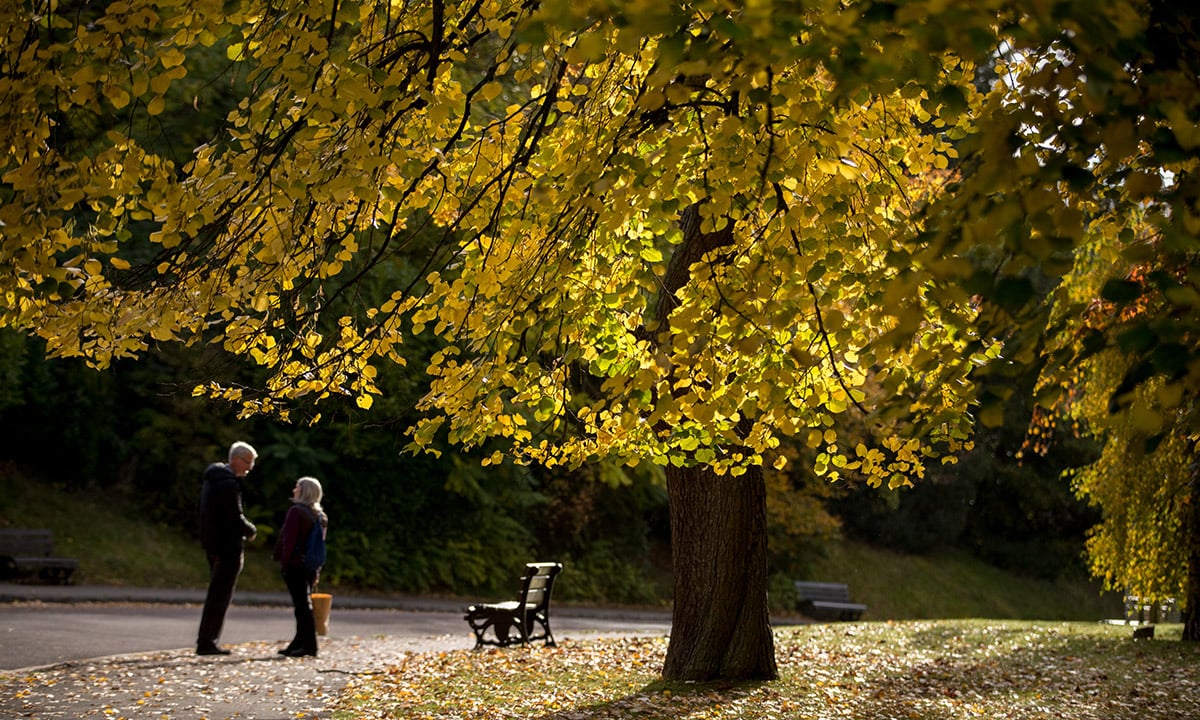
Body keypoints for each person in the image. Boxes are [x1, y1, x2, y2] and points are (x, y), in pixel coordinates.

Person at [195, 441, 259, 656]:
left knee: (216, 592)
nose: (250, 468)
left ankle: (207, 639)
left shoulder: (213, 479)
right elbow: (234, 517)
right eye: (248, 462)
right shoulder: (228, 484)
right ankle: (207, 642)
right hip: (227, 547)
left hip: (212, 545)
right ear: (236, 460)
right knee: (220, 595)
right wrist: (250, 530)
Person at [273, 476, 327, 657]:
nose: (294, 490)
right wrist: (317, 570)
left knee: (302, 606)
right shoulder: (320, 516)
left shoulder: (296, 512)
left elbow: (289, 541)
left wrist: (284, 563)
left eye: (297, 487)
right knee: (303, 604)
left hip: (295, 564)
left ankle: (309, 645)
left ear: (303, 491)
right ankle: (298, 643)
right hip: (310, 565)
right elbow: (320, 544)